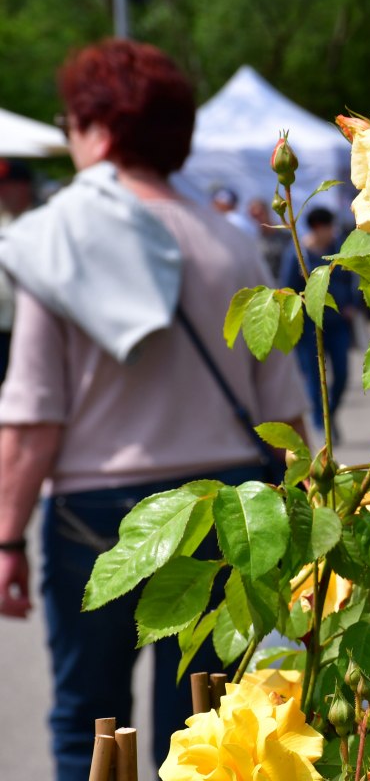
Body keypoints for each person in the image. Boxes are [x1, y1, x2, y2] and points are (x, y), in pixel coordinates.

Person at [0, 40, 307, 780]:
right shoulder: (231, 242)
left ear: (98, 128)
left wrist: (5, 537)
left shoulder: (58, 236)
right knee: (207, 724)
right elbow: (286, 412)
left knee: (91, 724)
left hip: (97, 512)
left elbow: (36, 413)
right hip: (229, 503)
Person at [280, 207, 357, 442]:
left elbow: (353, 278)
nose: (333, 232)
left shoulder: (338, 250)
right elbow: (286, 287)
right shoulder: (297, 254)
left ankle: (329, 412)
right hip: (309, 327)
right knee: (314, 377)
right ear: (317, 228)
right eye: (328, 228)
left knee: (343, 374)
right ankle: (321, 421)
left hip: (337, 323)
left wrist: (352, 304)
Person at [0, 160, 37, 381]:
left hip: (27, 329)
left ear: (24, 187)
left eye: (6, 185)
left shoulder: (44, 223)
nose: (1, 192)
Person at [247, 196, 290, 278]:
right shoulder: (253, 240)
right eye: (254, 216)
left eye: (260, 214)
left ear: (267, 212)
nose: (258, 218)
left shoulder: (286, 236)